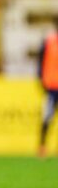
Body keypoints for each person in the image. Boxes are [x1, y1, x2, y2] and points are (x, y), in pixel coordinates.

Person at [38, 17, 58, 158]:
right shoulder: (49, 41)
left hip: (51, 85)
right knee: (47, 116)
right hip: (51, 86)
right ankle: (42, 146)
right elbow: (40, 62)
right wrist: (41, 80)